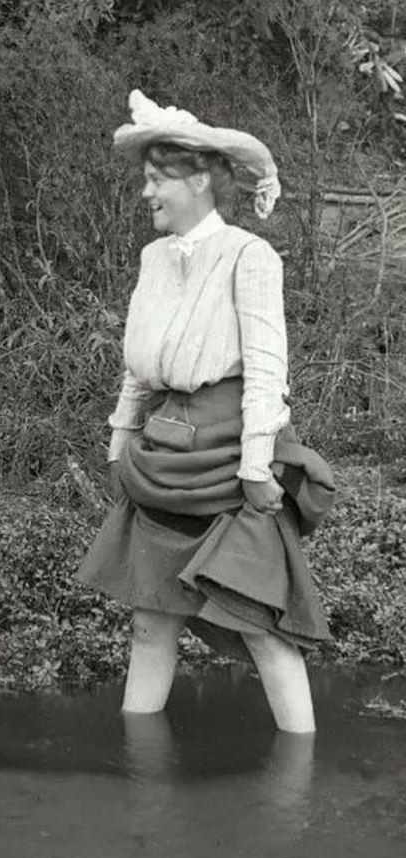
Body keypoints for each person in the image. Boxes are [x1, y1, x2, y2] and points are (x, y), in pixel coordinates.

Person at [77, 90, 337, 734]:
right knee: (149, 618)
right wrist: (118, 440)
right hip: (165, 451)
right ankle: (140, 774)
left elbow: (268, 370)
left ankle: (296, 787)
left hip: (229, 455)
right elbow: (140, 363)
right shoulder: (153, 257)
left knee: (260, 625)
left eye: (157, 180)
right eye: (146, 179)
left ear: (199, 180)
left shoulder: (250, 256)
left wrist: (256, 467)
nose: (147, 194)